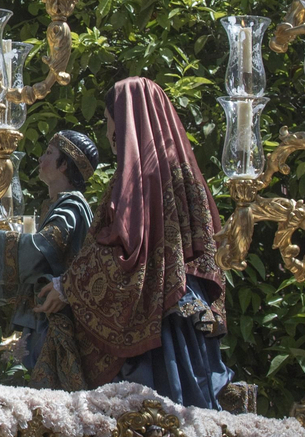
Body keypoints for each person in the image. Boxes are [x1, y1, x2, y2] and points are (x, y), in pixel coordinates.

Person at [36, 77, 233, 408]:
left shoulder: (138, 175)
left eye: (108, 117)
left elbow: (125, 248)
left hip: (152, 318)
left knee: (147, 425)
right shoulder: (184, 169)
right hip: (187, 308)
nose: (108, 129)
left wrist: (67, 285)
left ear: (125, 116)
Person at [0, 130, 100, 389]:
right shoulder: (60, 204)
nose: (40, 158)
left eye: (49, 153)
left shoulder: (71, 204)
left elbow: (43, 247)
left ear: (64, 165)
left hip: (57, 322)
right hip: (46, 316)